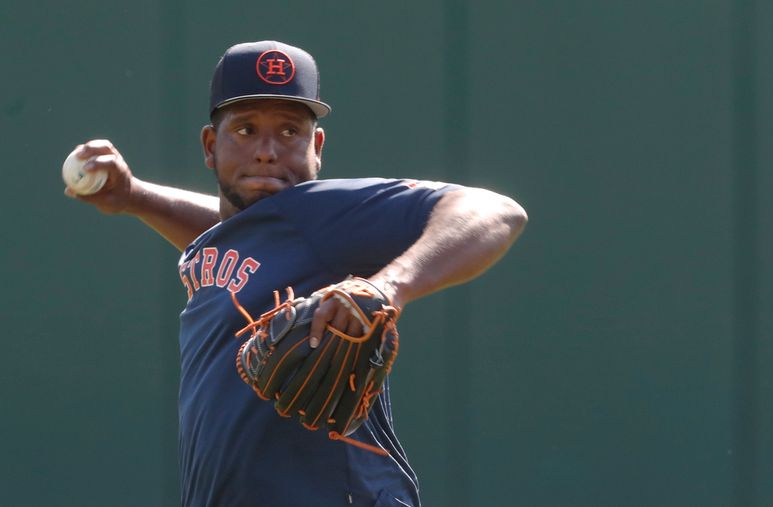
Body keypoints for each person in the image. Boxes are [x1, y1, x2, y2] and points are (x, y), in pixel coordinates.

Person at [65, 40, 527, 507]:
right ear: (210, 145)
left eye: (289, 132)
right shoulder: (261, 235)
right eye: (245, 130)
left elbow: (495, 210)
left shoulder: (322, 212)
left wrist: (386, 286)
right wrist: (137, 196)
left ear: (317, 146)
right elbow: (248, 237)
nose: (267, 151)